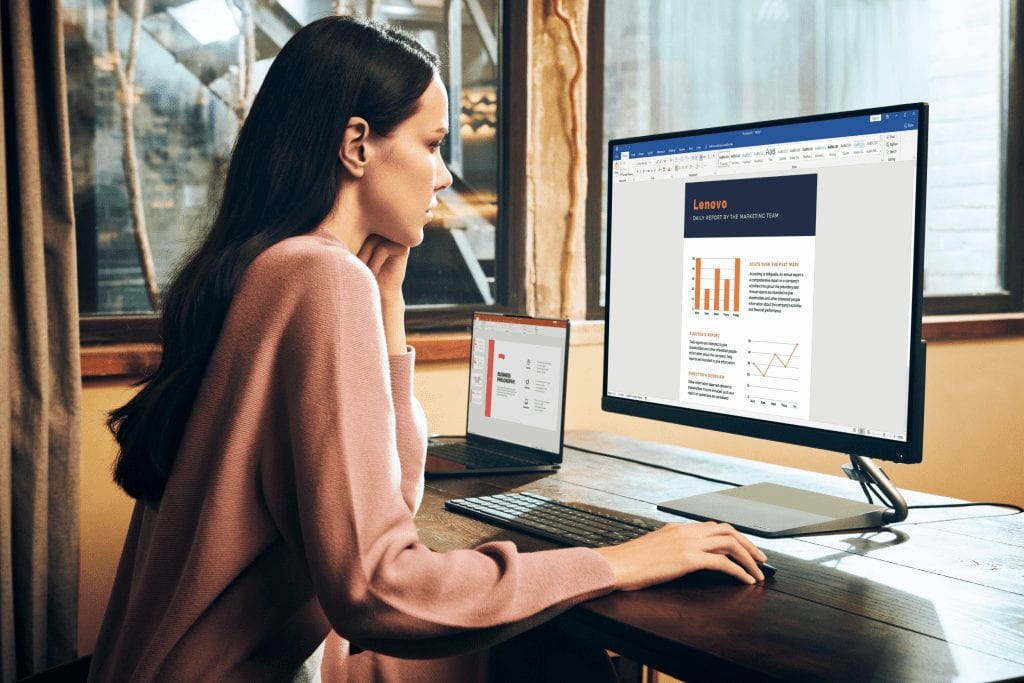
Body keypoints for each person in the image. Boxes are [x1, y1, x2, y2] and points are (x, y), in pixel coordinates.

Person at [88, 15, 769, 682]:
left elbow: (392, 500)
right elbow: (378, 589)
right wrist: (621, 560)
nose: (444, 177)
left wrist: (387, 298)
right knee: (552, 654)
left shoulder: (268, 267)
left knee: (534, 647)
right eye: (433, 144)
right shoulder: (319, 277)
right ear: (357, 144)